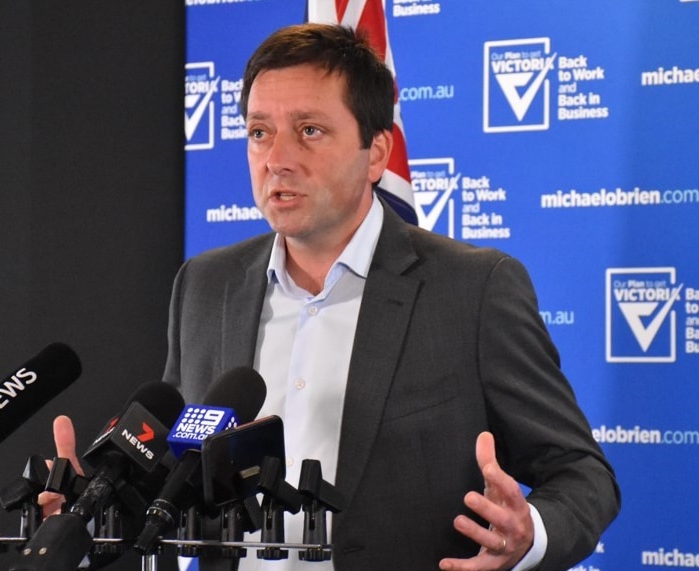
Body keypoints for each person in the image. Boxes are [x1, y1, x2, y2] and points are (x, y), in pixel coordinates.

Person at [47, 23, 619, 571]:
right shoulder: (204, 284)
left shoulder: (473, 289)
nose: (277, 159)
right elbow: (175, 472)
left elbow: (580, 473)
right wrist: (95, 506)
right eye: (259, 132)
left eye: (309, 131)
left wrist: (529, 534)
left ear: (375, 153)